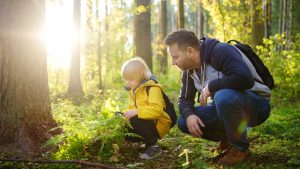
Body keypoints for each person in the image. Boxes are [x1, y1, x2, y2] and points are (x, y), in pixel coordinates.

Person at [163, 29, 271, 165]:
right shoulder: (188, 72)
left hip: (257, 104)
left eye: (175, 57)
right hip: (226, 105)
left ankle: (240, 148)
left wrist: (212, 86)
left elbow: (245, 79)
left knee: (223, 96)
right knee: (184, 121)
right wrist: (189, 115)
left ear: (190, 51)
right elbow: (184, 100)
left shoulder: (220, 51)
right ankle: (230, 138)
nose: (173, 62)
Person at [120, 57, 171, 160]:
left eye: (131, 79)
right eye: (126, 80)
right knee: (119, 118)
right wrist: (125, 116)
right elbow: (132, 108)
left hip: (158, 124)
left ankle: (153, 146)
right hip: (147, 122)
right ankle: (147, 141)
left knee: (134, 118)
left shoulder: (153, 88)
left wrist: (136, 112)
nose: (128, 83)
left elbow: (157, 111)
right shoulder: (134, 90)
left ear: (140, 76)